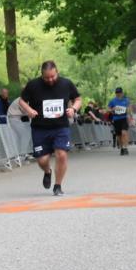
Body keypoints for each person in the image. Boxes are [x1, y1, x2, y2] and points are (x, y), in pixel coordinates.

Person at [18, 61, 81, 196]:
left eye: (53, 76)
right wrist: (29, 110)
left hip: (60, 127)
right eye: (47, 77)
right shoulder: (33, 85)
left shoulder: (66, 84)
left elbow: (78, 99)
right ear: (42, 75)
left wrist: (73, 109)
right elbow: (21, 101)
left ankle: (58, 186)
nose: (50, 80)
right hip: (40, 128)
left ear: (57, 72)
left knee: (61, 154)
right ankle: (47, 171)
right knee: (42, 160)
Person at [107, 87, 131, 155]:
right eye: (117, 93)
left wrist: (129, 116)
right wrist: (112, 109)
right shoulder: (112, 101)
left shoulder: (126, 100)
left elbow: (129, 109)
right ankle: (121, 148)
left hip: (124, 118)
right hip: (116, 119)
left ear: (122, 93)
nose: (118, 94)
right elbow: (108, 109)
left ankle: (125, 148)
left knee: (124, 133)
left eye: (119, 92)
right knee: (119, 135)